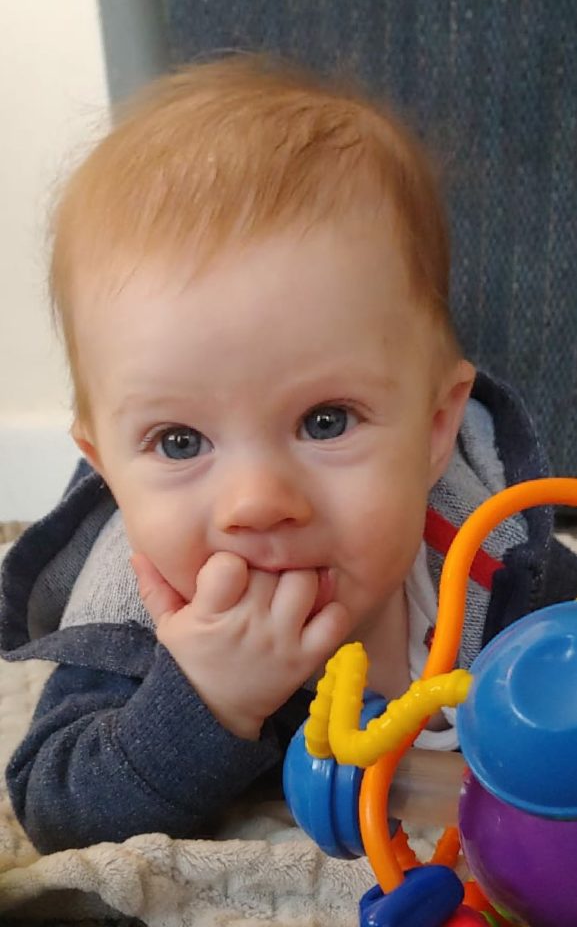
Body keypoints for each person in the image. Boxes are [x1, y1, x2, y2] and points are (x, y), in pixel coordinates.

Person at [1, 55, 575, 855]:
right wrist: (205, 699)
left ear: (433, 427)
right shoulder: (138, 617)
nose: (257, 501)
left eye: (325, 421)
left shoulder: (488, 558)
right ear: (107, 467)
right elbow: (54, 807)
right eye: (179, 442)